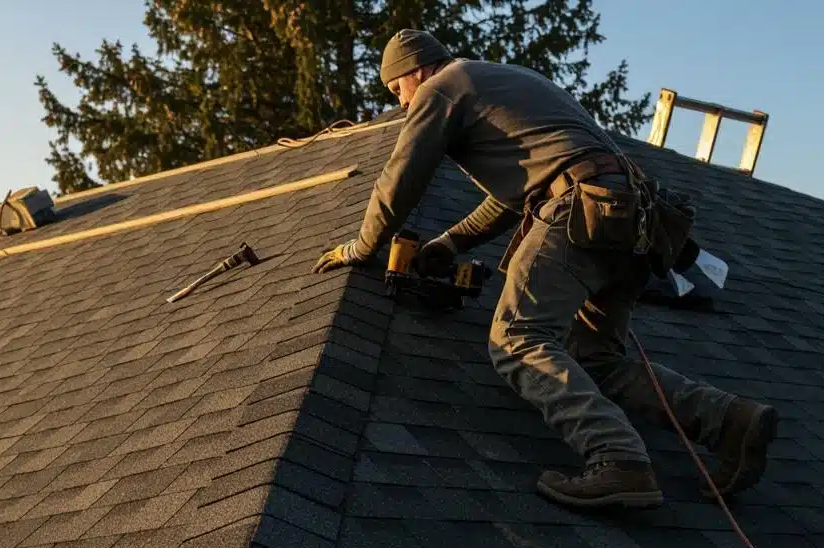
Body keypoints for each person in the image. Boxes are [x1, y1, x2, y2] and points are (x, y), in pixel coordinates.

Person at [313, 29, 778, 509]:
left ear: (415, 70)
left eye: (396, 91)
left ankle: (618, 460)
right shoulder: (498, 81)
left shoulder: (442, 86)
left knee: (517, 339)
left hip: (580, 209)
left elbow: (401, 177)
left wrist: (362, 248)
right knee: (595, 360)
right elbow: (518, 194)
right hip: (631, 219)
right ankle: (730, 421)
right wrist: (452, 241)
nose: (404, 104)